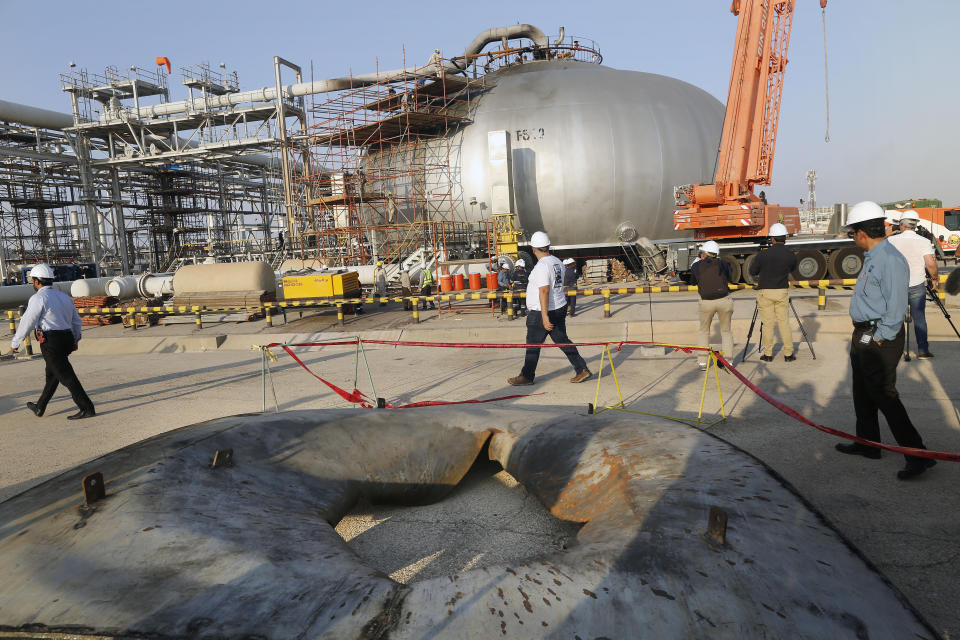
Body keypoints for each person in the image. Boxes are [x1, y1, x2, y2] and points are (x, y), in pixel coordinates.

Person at [836, 201, 935, 480]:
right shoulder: (874, 256)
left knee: (883, 393)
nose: (852, 238)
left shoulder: (889, 259)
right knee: (862, 390)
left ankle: (918, 455)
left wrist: (880, 338)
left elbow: (895, 306)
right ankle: (868, 444)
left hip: (880, 335)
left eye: (852, 233)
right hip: (865, 333)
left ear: (861, 233)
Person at [9, 264, 95, 420]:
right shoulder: (64, 297)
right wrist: (76, 339)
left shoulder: (38, 298)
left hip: (51, 342)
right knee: (52, 374)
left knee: (66, 376)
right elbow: (76, 321)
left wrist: (16, 343)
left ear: (36, 281)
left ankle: (87, 408)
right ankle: (39, 407)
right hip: (67, 339)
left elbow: (27, 321)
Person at [507, 232, 591, 386]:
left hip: (542, 311)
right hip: (559, 306)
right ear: (548, 246)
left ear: (533, 249)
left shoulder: (542, 266)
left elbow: (544, 290)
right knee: (562, 340)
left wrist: (545, 317)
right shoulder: (557, 262)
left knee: (533, 344)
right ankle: (581, 369)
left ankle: (526, 376)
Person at [888, 210, 937, 358]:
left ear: (902, 224)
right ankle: (923, 351)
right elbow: (931, 264)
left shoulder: (891, 241)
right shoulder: (924, 241)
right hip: (917, 285)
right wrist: (934, 279)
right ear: (915, 225)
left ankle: (894, 351)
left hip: (896, 285)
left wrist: (891, 231)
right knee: (919, 318)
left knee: (895, 318)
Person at [749, 222, 797, 362]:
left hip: (765, 292)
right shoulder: (790, 255)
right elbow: (792, 268)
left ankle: (768, 354)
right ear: (785, 238)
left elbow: (753, 271)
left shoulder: (763, 255)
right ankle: (788, 354)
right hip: (782, 291)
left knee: (767, 323)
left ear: (772, 239)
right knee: (784, 323)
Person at [690, 240, 734, 370]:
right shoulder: (723, 263)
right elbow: (730, 278)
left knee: (704, 332)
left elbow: (693, 282)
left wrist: (698, 260)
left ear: (704, 253)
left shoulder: (697, 266)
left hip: (706, 302)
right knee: (726, 332)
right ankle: (729, 362)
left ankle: (703, 363)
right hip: (724, 300)